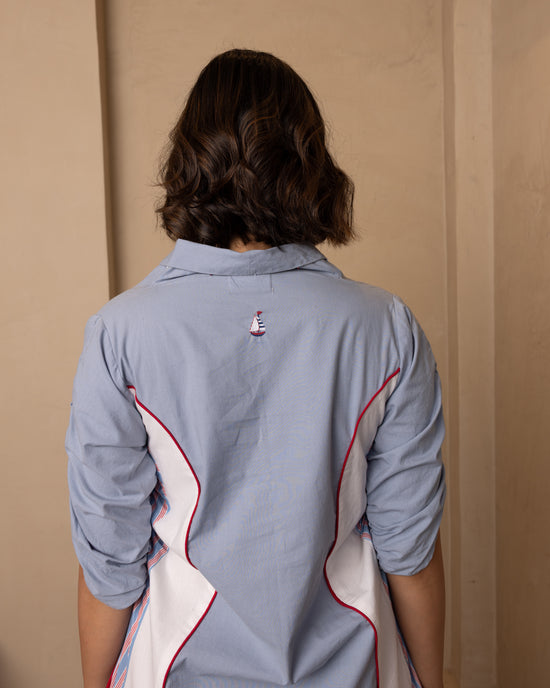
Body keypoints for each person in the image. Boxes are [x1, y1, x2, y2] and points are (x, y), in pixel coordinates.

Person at [67, 49, 446, 688]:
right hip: (355, 668)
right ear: (310, 163)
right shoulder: (387, 326)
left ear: (189, 160)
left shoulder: (120, 333)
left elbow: (111, 564)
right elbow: (409, 549)